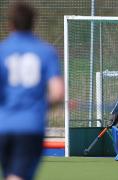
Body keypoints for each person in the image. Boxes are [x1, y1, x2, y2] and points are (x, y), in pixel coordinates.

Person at [0, 1, 64, 180]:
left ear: (9, 24)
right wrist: (42, 106)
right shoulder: (45, 51)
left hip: (3, 126)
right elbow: (58, 92)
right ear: (33, 22)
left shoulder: (2, 51)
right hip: (30, 126)